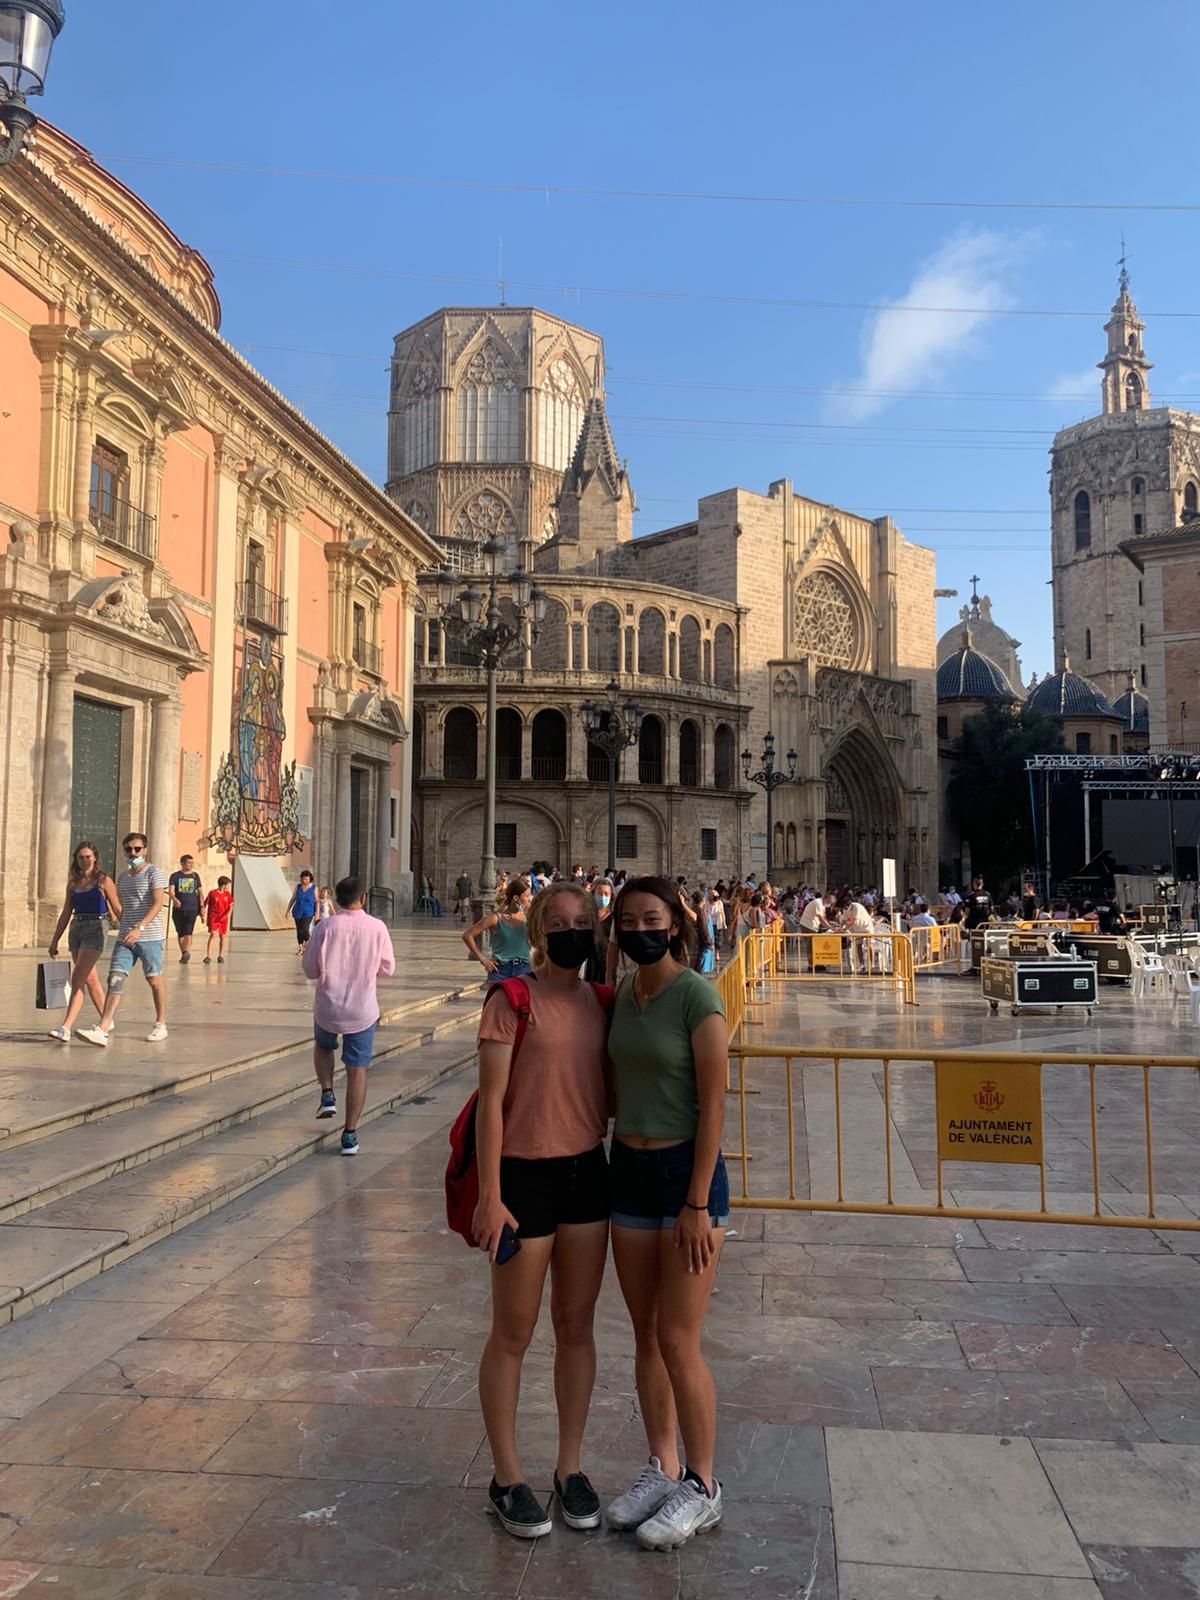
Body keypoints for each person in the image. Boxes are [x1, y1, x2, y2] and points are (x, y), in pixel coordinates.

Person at [471, 883, 612, 1541]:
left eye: (583, 921)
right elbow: (492, 1106)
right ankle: (505, 1476)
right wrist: (490, 1195)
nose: (572, 931)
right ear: (537, 929)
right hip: (524, 1180)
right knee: (514, 1331)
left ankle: (570, 1468)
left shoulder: (599, 1002)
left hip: (587, 1175)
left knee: (576, 1326)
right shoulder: (510, 1001)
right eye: (559, 922)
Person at [604, 875, 728, 1552]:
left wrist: (697, 1202)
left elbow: (715, 1105)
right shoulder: (624, 993)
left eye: (651, 918)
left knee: (680, 1338)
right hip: (628, 1171)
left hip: (686, 1176)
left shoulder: (697, 998)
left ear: (675, 925)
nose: (639, 929)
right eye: (627, 919)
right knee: (646, 1334)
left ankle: (704, 1486)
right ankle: (663, 1467)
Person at [302, 875, 395, 1156]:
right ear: (363, 898)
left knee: (323, 1046)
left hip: (328, 1005)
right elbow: (388, 968)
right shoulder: (377, 927)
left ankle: (327, 1093)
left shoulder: (325, 927)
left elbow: (309, 969)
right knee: (357, 1069)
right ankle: (350, 1134)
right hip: (362, 1008)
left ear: (336, 899)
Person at [78, 832, 169, 1047]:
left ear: (145, 850)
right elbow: (124, 907)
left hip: (150, 937)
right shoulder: (123, 877)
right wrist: (115, 916)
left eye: (137, 849)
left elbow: (157, 903)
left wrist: (140, 928)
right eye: (128, 849)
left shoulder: (154, 873)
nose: (133, 853)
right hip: (125, 936)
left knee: (153, 980)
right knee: (115, 978)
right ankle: (103, 1028)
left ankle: (161, 1024)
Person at [47, 840, 122, 1042]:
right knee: (90, 979)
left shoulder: (103, 880)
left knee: (78, 976)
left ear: (95, 858)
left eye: (88, 856)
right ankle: (107, 1019)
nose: (85, 860)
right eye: (81, 857)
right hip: (77, 928)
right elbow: (65, 913)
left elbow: (117, 908)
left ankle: (66, 1027)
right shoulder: (73, 883)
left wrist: (133, 932)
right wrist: (55, 941)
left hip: (96, 928)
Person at [464, 876, 532, 985]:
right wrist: (483, 959)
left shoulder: (528, 917)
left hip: (523, 969)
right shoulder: (495, 918)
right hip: (500, 970)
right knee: (496, 1001)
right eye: (527, 896)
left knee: (522, 1002)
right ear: (516, 898)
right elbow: (467, 935)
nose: (530, 899)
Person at [168, 854, 203, 965]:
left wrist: (202, 907)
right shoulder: (175, 876)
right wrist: (174, 899)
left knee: (189, 931)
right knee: (180, 933)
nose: (191, 865)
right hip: (178, 909)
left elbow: (201, 893)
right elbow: (171, 891)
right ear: (182, 863)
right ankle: (184, 952)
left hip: (192, 908)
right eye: (189, 862)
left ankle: (186, 952)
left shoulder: (195, 876)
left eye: (192, 863)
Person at [203, 876, 234, 963]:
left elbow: (231, 905)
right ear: (223, 885)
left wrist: (229, 914)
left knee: (222, 936)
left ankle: (220, 955)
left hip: (223, 919)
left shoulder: (227, 894)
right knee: (213, 934)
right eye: (228, 885)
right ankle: (208, 956)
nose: (229, 887)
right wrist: (202, 913)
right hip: (213, 918)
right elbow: (205, 903)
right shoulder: (212, 893)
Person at [287, 870, 317, 952]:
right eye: (303, 879)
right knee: (299, 930)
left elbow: (316, 901)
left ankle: (308, 943)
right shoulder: (298, 887)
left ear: (310, 879)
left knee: (304, 929)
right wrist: (288, 910)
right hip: (297, 911)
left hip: (308, 912)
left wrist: (317, 913)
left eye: (306, 879)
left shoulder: (314, 888)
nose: (304, 881)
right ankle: (301, 947)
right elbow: (293, 899)